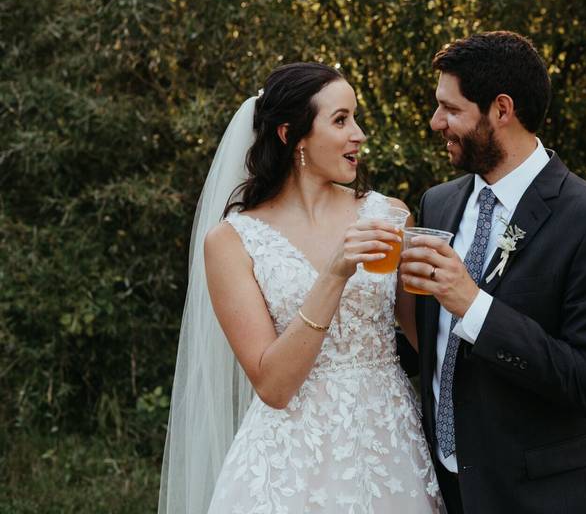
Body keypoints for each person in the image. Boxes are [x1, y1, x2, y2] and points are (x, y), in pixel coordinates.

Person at [158, 63, 443, 514]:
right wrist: (334, 274)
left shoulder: (389, 216)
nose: (360, 134)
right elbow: (274, 385)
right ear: (292, 136)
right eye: (341, 119)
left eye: (355, 118)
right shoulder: (233, 242)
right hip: (290, 463)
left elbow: (427, 343)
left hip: (389, 449)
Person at [399, 32, 586, 513]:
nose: (435, 122)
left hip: (545, 494)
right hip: (443, 486)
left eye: (450, 109)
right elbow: (429, 347)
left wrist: (475, 307)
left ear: (501, 109)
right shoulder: (437, 203)